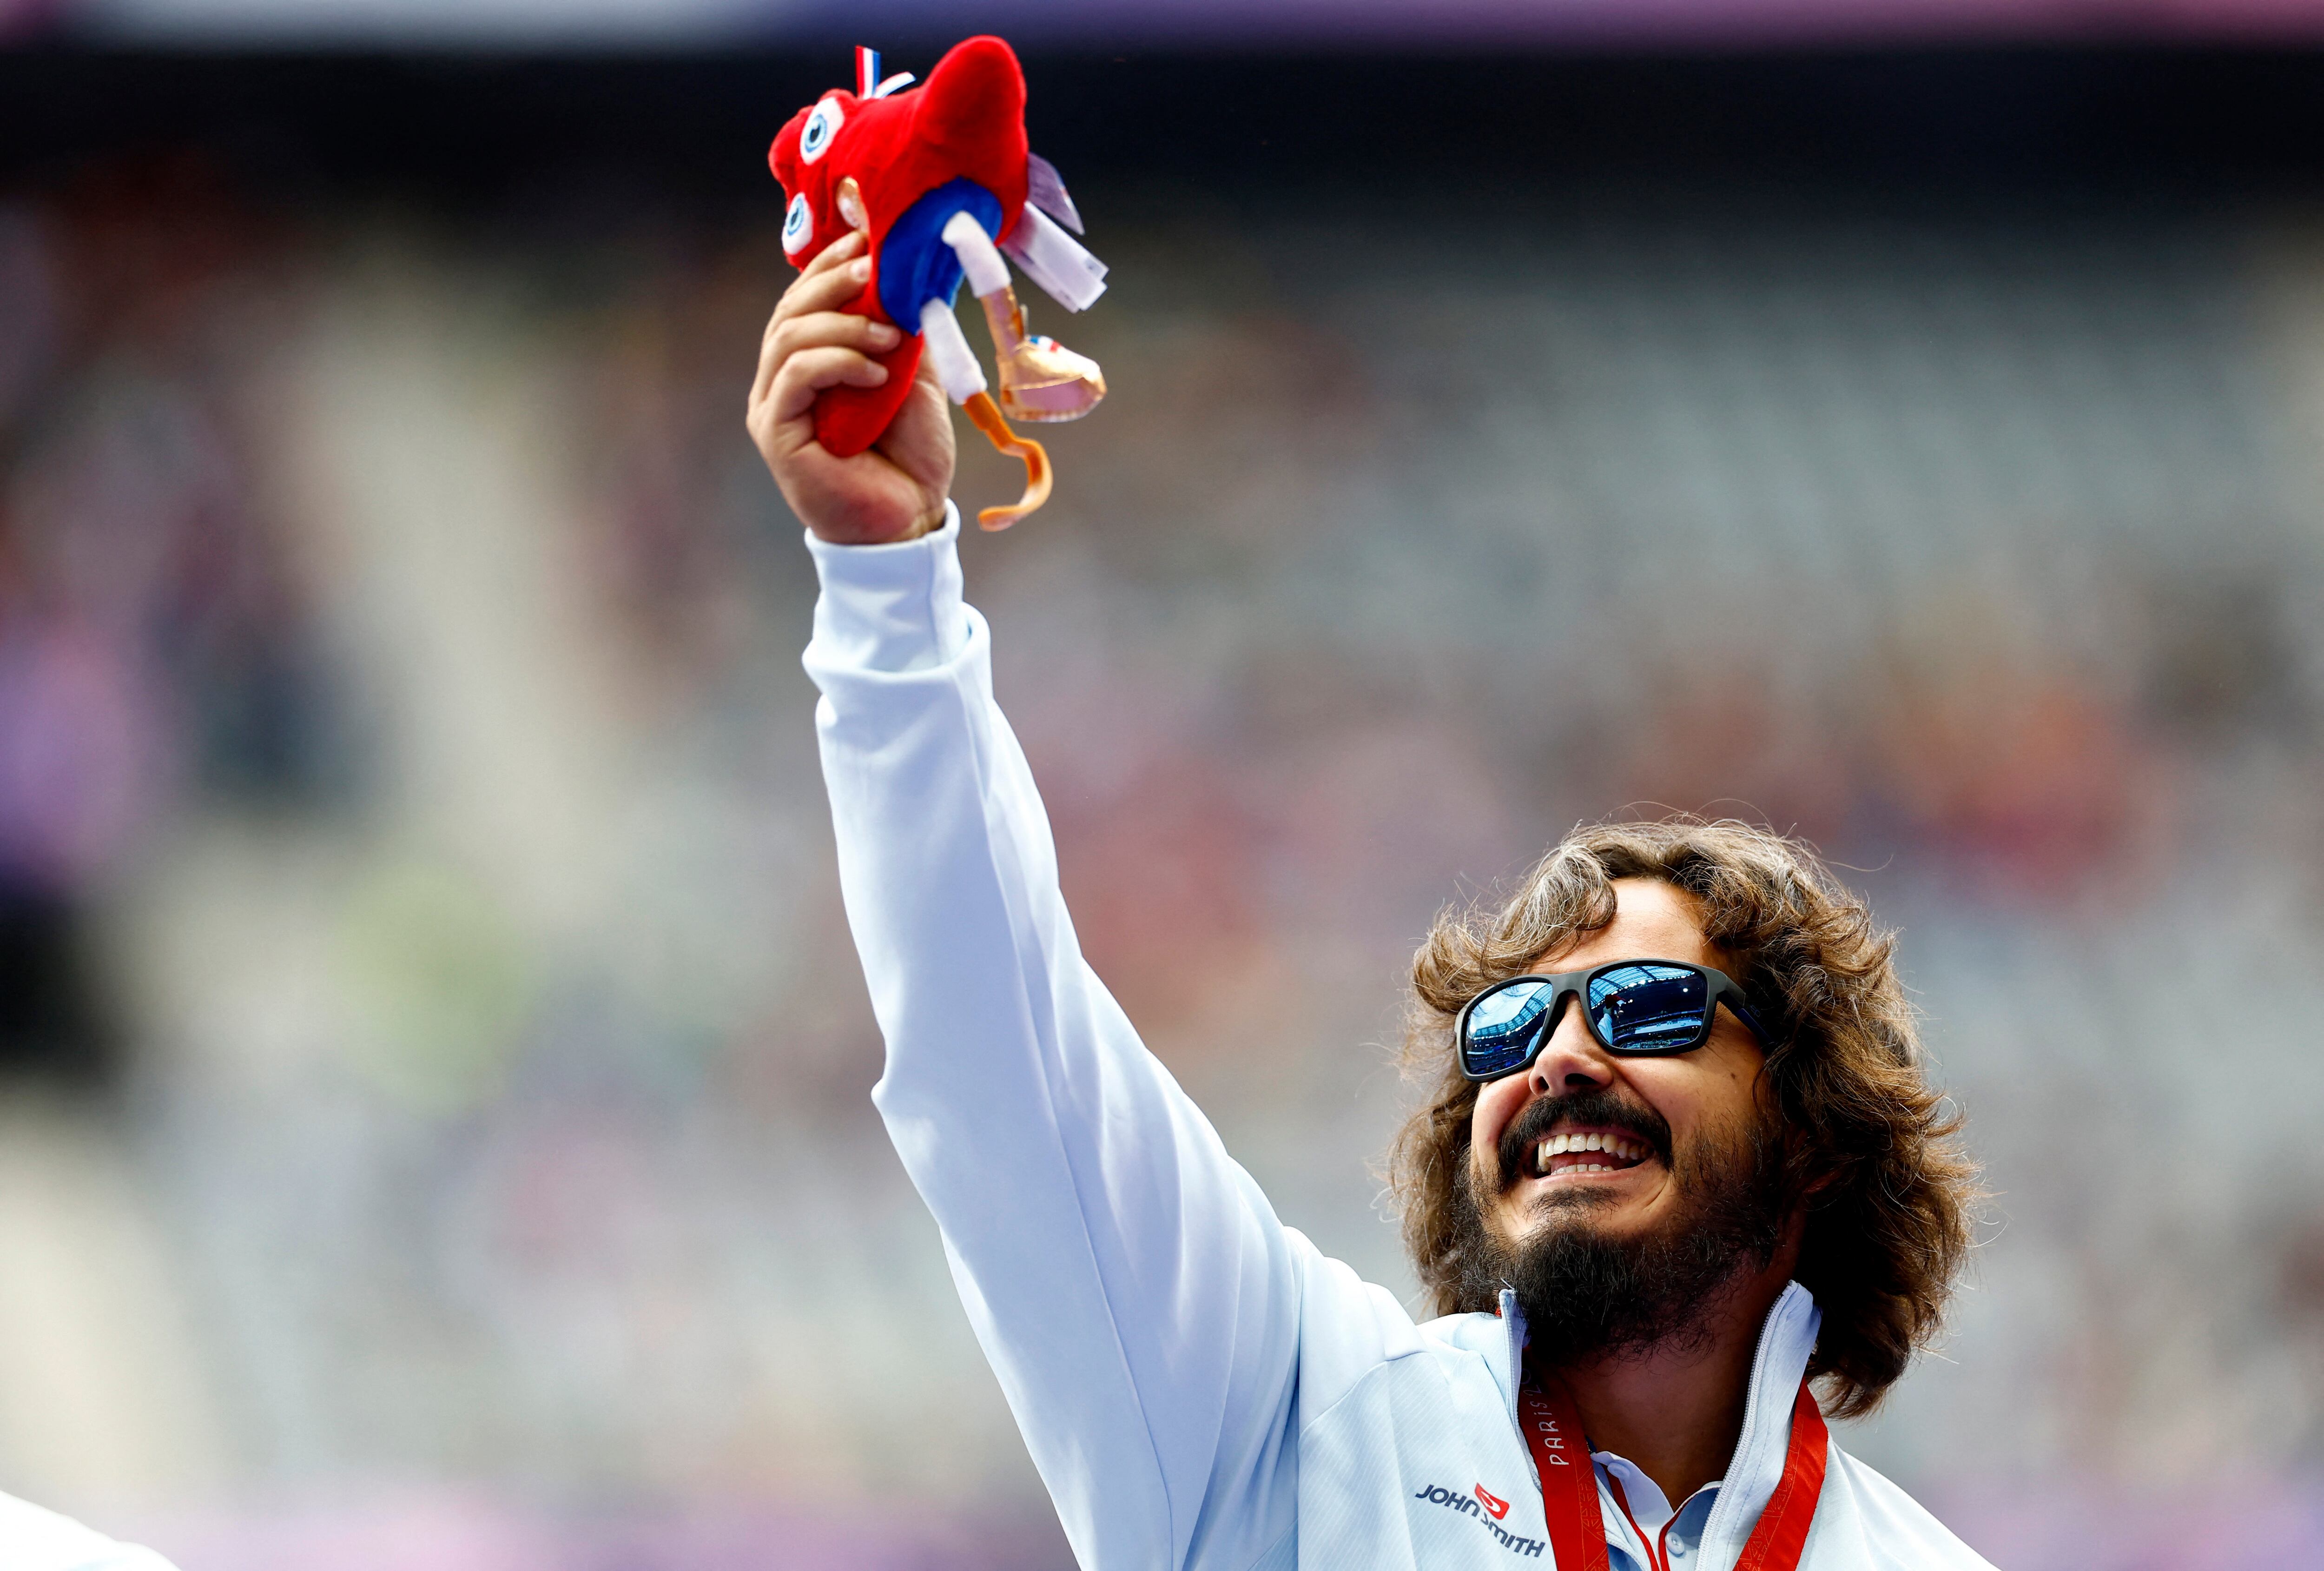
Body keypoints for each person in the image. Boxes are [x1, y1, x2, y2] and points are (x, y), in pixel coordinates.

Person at [750, 228, 1994, 1571]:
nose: (1563, 1057)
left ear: (1814, 1126)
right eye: (1510, 1032)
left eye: (1644, 1007)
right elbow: (1001, 1063)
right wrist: (886, 591)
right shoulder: (1296, 1416)